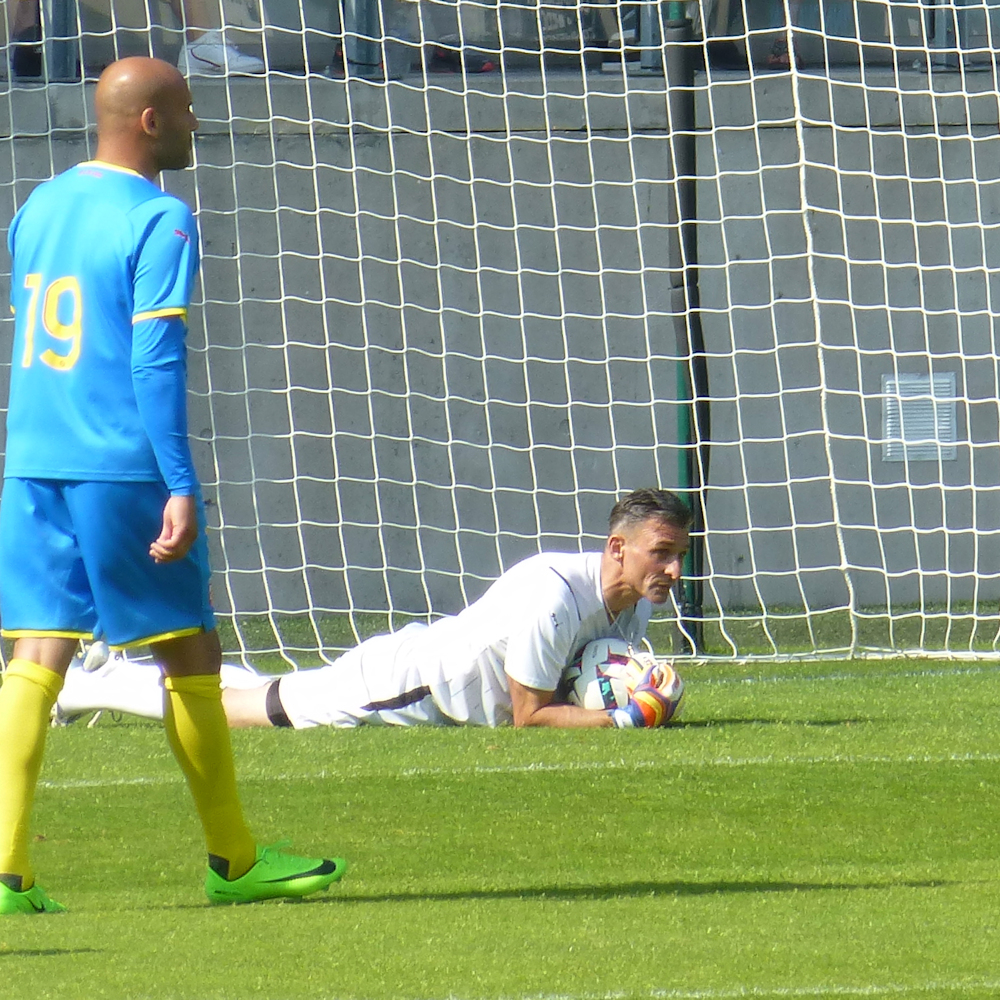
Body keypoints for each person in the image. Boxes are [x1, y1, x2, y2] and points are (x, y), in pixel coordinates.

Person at [0, 57, 344, 916]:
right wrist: (179, 483)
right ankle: (233, 860)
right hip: (120, 465)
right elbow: (154, 359)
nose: (197, 122)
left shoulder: (37, 206)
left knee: (34, 658)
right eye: (186, 109)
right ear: (149, 121)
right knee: (189, 647)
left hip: (32, 459)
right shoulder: (161, 217)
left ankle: (7, 872)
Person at [55, 488, 691, 731]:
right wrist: (629, 718)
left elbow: (585, 677)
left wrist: (639, 684)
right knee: (245, 713)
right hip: (408, 689)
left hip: (424, 669)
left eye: (679, 556)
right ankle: (89, 688)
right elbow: (530, 715)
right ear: (616, 547)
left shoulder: (633, 601)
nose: (672, 570)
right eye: (661, 553)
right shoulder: (553, 594)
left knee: (271, 691)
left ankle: (108, 676)